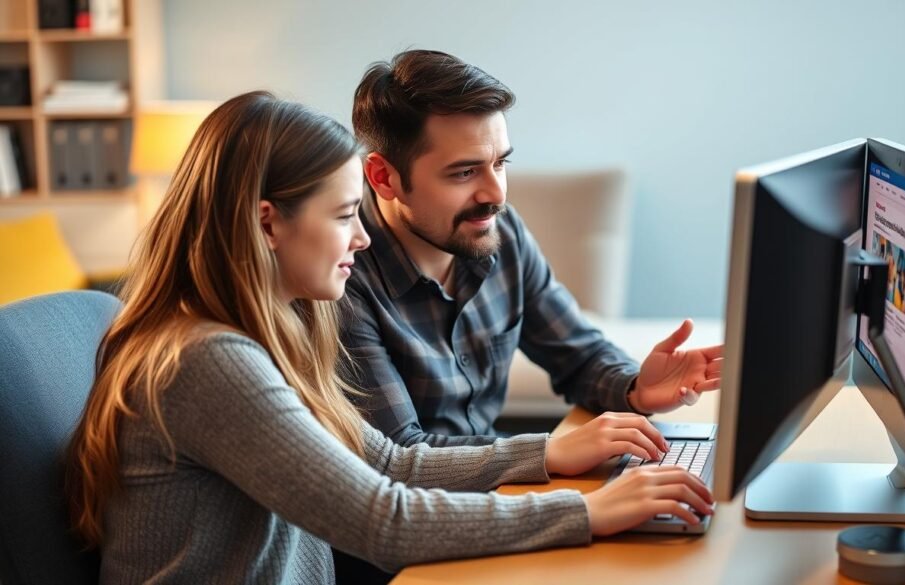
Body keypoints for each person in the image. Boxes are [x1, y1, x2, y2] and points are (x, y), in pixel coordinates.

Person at [64, 91, 714, 583]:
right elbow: (383, 519)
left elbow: (388, 461)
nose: (363, 236)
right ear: (268, 222)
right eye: (345, 215)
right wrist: (585, 509)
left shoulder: (265, 330)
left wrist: (547, 454)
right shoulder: (206, 359)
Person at [344, 49, 724, 447]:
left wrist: (636, 389)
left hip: (497, 491)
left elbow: (578, 354)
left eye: (501, 164)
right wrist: (550, 451)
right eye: (465, 172)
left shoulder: (500, 230)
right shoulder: (340, 277)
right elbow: (400, 454)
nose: (496, 194)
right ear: (383, 176)